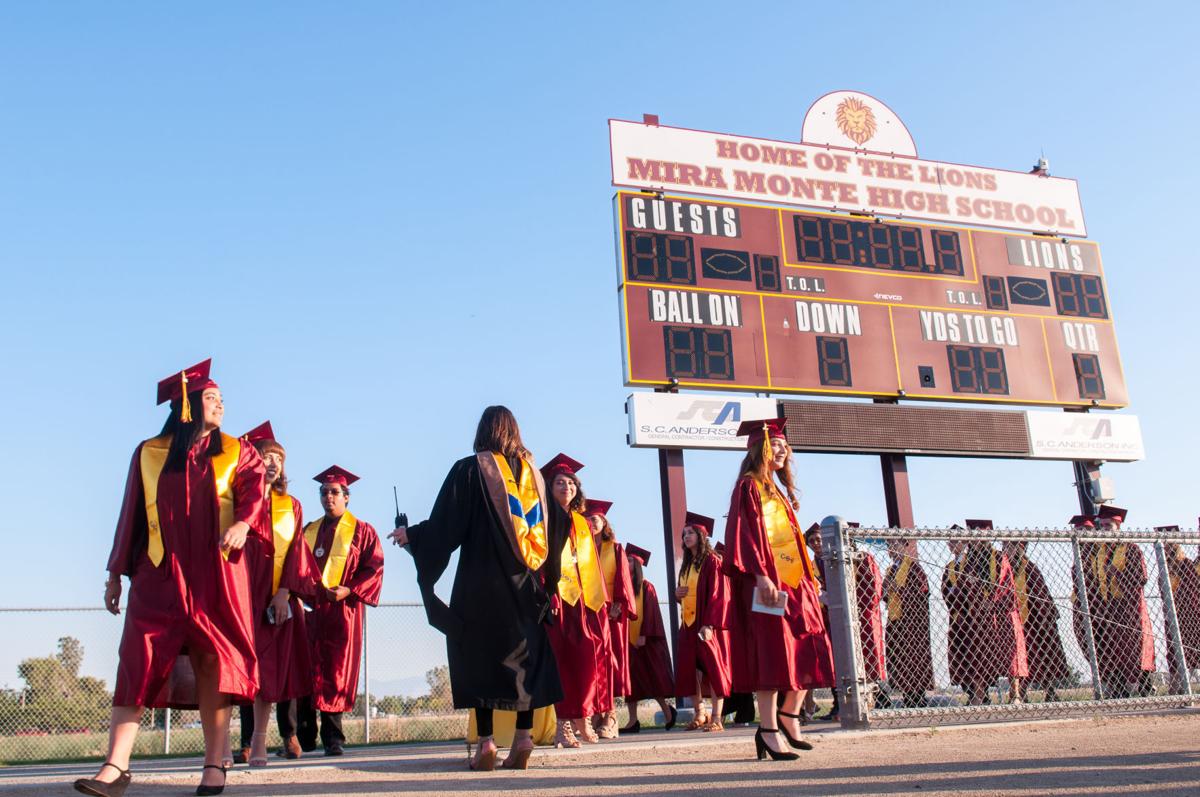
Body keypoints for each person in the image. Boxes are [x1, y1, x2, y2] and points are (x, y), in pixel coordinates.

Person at [75, 359, 266, 797]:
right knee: (137, 659)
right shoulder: (149, 452)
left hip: (217, 571)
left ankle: (214, 764)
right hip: (158, 571)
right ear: (189, 403)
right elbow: (131, 517)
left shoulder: (238, 451)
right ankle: (115, 765)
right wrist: (115, 574)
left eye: (221, 398)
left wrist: (243, 523)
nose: (221, 405)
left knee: (211, 661)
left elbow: (254, 492)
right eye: (212, 398)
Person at [390, 406, 565, 771]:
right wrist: (550, 579)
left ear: (483, 432)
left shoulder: (470, 470)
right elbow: (560, 527)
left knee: (478, 656)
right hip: (525, 588)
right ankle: (523, 737)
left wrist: (414, 537)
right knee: (525, 661)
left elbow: (444, 526)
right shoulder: (535, 477)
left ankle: (485, 742)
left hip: (479, 585)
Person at [723, 418, 834, 760]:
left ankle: (788, 714)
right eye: (778, 446)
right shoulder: (748, 487)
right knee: (771, 652)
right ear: (761, 449)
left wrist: (810, 578)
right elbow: (745, 534)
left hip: (794, 582)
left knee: (811, 644)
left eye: (787, 447)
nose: (784, 451)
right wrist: (761, 576)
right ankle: (769, 728)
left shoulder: (777, 492)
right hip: (766, 582)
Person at [233, 422, 319, 765]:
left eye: (278, 459)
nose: (273, 463)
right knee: (236, 667)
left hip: (274, 597)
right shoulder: (237, 501)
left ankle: (259, 741)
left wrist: (284, 592)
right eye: (266, 456)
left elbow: (297, 550)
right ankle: (223, 745)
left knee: (269, 670)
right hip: (240, 594)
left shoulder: (291, 506)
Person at [296, 466, 384, 756]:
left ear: (346, 497)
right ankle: (304, 738)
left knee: (335, 672)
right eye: (324, 492)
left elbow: (374, 567)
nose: (328, 497)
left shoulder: (362, 531)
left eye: (334, 492)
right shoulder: (308, 530)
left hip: (342, 612)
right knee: (305, 670)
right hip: (309, 611)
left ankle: (334, 738)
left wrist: (349, 589)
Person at [540, 453, 611, 747]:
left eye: (570, 482)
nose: (566, 486)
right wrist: (548, 593)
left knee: (586, 660)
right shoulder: (542, 517)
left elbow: (591, 561)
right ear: (549, 486)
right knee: (561, 663)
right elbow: (540, 558)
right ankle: (563, 725)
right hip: (557, 598)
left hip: (583, 603)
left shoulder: (581, 523)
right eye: (559, 482)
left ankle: (583, 717)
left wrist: (599, 600)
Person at [673, 512, 732, 732]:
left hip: (709, 624)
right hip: (688, 624)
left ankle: (717, 717)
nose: (686, 536)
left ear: (701, 535)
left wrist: (710, 624)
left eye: (690, 533)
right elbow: (687, 596)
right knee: (690, 670)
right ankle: (700, 713)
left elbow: (719, 595)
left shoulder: (713, 562)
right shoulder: (687, 565)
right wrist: (678, 595)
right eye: (684, 534)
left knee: (714, 669)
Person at [584, 499, 637, 739]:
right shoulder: (581, 547)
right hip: (587, 610)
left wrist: (618, 603)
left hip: (611, 613)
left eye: (594, 519)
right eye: (587, 519)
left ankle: (611, 714)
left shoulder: (615, 548)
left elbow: (623, 579)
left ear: (604, 522)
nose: (591, 523)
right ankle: (595, 712)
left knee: (611, 662)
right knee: (591, 662)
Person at [1094, 506, 1156, 697]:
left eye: (1109, 526)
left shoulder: (1131, 548)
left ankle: (1146, 686)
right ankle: (1120, 689)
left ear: (1118, 527)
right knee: (1115, 647)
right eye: (1102, 526)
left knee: (1137, 645)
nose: (1105, 530)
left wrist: (1118, 574)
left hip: (1131, 605)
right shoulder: (1100, 552)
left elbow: (1141, 577)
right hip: (1111, 606)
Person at [1002, 538, 1069, 702]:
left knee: (1041, 655)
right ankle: (1020, 693)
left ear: (1020, 548)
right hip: (1016, 620)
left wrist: (1043, 617)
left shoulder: (1029, 568)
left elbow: (1040, 594)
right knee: (1018, 658)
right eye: (1004, 546)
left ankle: (1050, 691)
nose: (1005, 550)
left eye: (1009, 547)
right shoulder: (1005, 568)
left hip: (1035, 621)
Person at [621, 543, 677, 733]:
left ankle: (668, 713)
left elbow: (652, 613)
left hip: (647, 642)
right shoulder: (622, 587)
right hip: (628, 642)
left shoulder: (647, 587)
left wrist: (644, 635)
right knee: (632, 686)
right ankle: (632, 721)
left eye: (628, 560)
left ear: (636, 564)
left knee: (654, 681)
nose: (624, 563)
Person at [881, 538, 933, 708]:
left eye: (895, 545)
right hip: (896, 621)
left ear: (904, 547)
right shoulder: (891, 570)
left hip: (913, 623)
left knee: (914, 657)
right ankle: (906, 694)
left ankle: (918, 696)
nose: (892, 549)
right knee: (899, 657)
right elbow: (885, 594)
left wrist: (899, 590)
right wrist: (888, 590)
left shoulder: (914, 567)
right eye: (889, 546)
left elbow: (922, 592)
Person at [1160, 529, 1200, 687]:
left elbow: (1193, 589)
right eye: (1165, 546)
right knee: (1175, 654)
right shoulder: (1165, 568)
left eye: (1172, 546)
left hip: (1191, 615)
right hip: (1174, 616)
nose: (1169, 550)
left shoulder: (1187, 564)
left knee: (1191, 650)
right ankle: (1177, 689)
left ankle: (1184, 689)